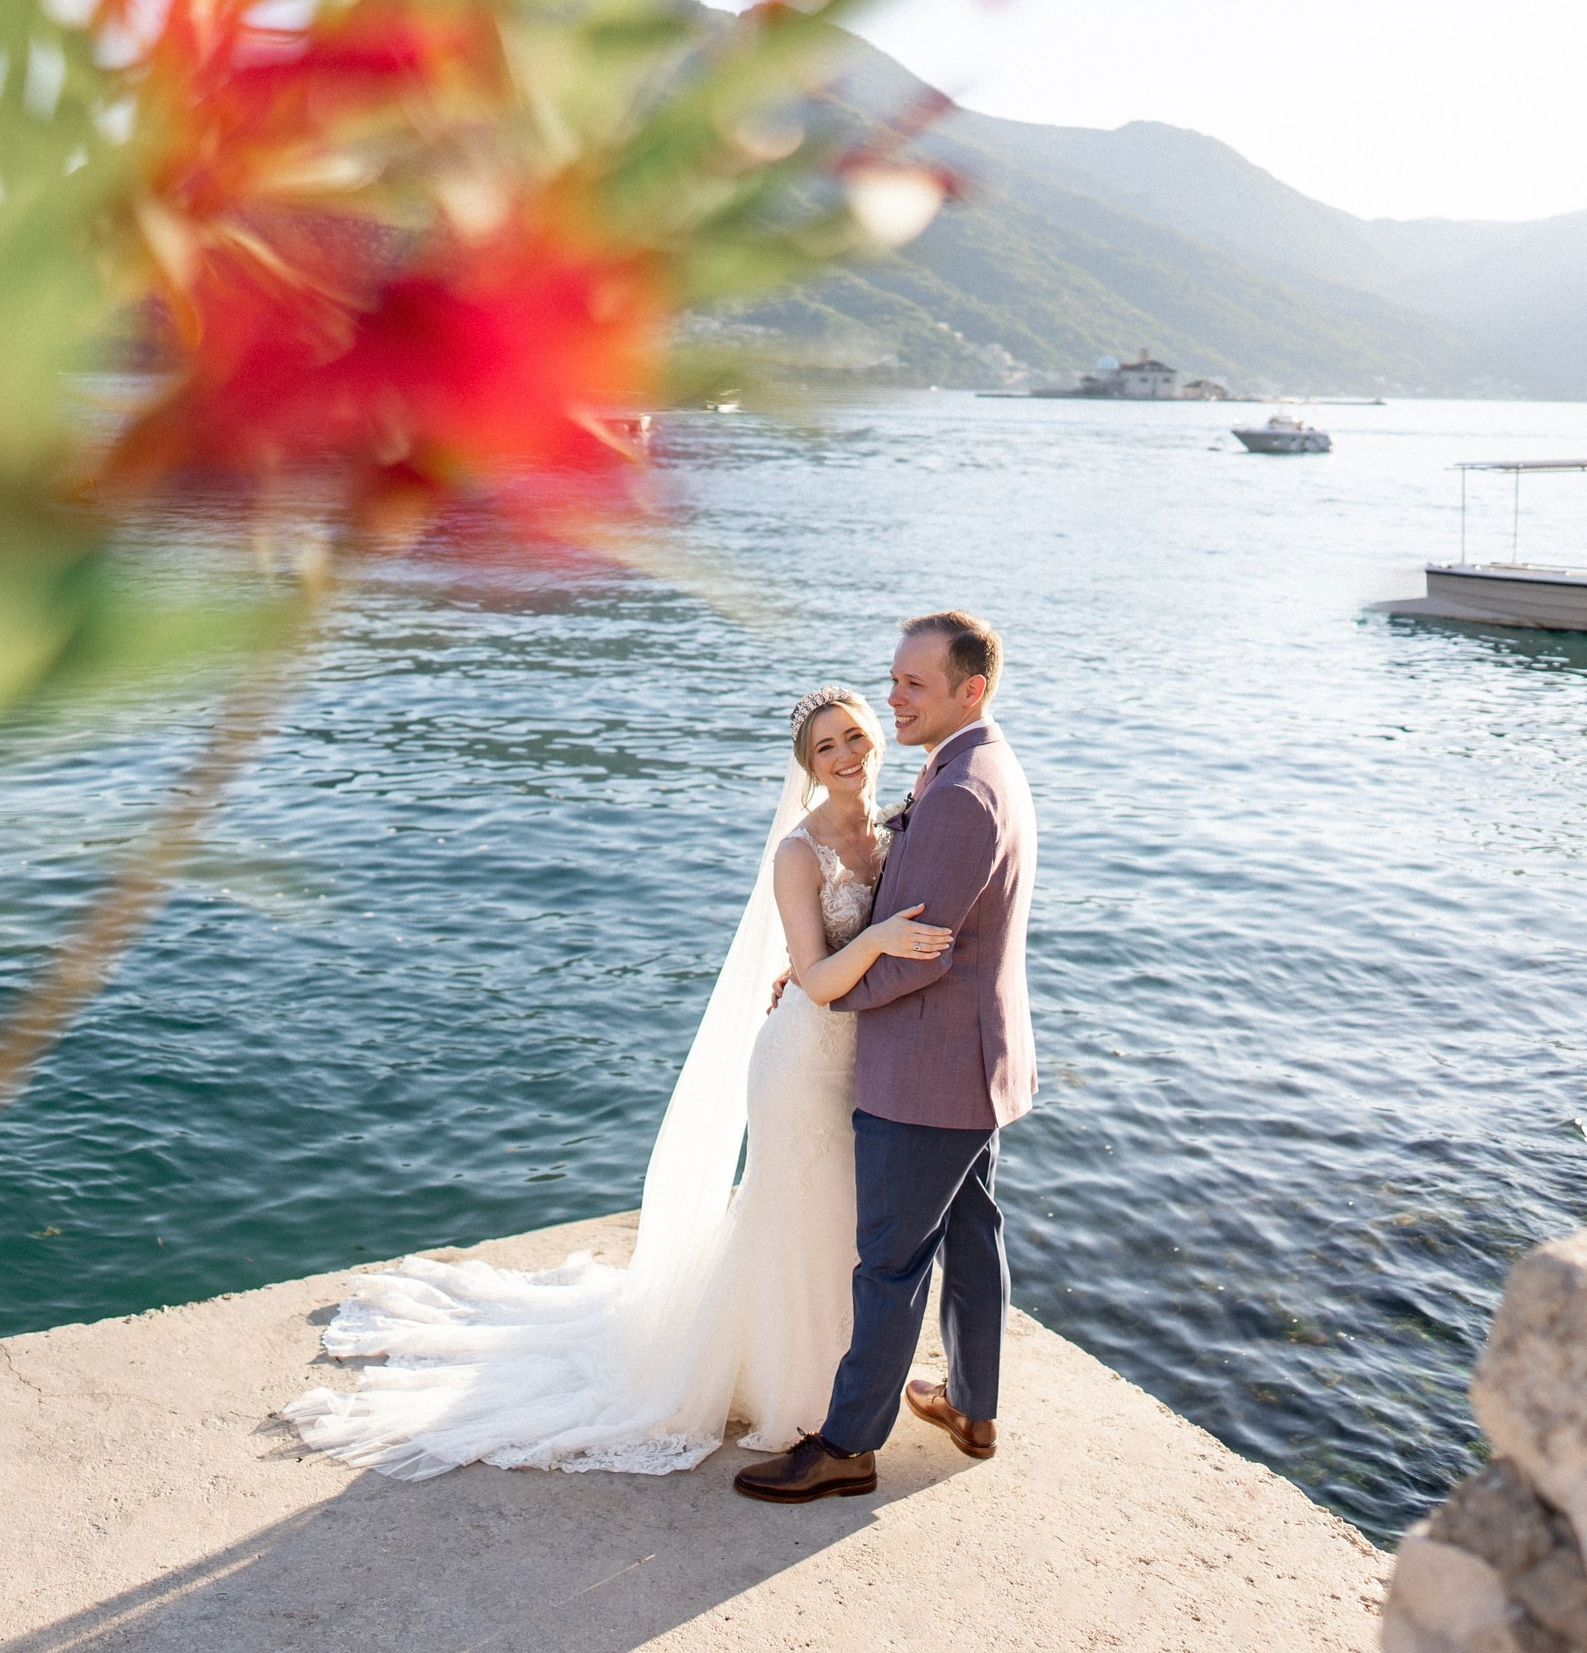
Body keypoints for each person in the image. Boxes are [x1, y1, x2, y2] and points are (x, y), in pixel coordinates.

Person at [279, 685, 950, 1475]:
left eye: (854, 736)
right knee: (798, 1211)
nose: (845, 755)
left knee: (844, 1216)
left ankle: (847, 1371)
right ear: (806, 766)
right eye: (825, 747)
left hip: (864, 1063)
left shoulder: (899, 826)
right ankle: (796, 1392)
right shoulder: (798, 853)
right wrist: (880, 939)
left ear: (878, 737)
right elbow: (819, 976)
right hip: (801, 1064)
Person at [734, 610, 1038, 1504]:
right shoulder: (971, 765)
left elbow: (923, 951)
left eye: (913, 684)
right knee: (972, 1232)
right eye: (893, 680)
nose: (895, 697)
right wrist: (822, 966)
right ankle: (973, 1409)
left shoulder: (960, 792)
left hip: (927, 1068)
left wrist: (824, 991)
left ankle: (847, 1446)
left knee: (890, 1262)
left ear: (969, 690)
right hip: (969, 1058)